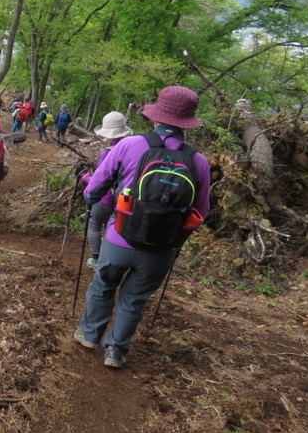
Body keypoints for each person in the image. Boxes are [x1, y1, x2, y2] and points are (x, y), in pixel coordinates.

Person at [73, 86, 211, 369]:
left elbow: (96, 187)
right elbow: (202, 211)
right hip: (162, 247)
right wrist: (176, 241)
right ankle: (115, 351)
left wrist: (89, 199)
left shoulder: (129, 145)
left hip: (120, 237)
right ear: (188, 122)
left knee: (103, 284)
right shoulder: (199, 162)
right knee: (135, 298)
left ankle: (89, 335)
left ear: (156, 117)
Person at [77, 112, 133, 268]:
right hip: (124, 200)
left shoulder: (109, 152)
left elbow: (99, 181)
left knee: (94, 224)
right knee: (110, 226)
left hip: (105, 198)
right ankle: (108, 256)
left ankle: (96, 260)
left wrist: (84, 176)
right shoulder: (133, 151)